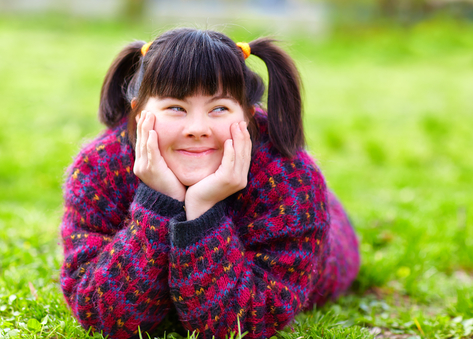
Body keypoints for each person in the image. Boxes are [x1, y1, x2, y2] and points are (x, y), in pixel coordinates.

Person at [60, 28, 360, 339]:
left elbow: (242, 325)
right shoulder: (102, 167)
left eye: (219, 109)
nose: (197, 128)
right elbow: (104, 318)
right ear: (137, 114)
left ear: (247, 115)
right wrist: (158, 205)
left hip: (330, 238)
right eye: (176, 107)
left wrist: (203, 213)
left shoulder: (290, 180)